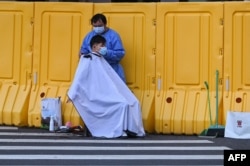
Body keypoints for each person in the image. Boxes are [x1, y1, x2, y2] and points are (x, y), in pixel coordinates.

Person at [68, 35, 145, 138]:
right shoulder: (87, 59)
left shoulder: (101, 59)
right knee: (122, 104)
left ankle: (132, 129)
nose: (104, 48)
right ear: (94, 47)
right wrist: (72, 93)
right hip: (95, 95)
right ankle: (119, 129)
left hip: (105, 93)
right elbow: (79, 78)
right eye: (102, 45)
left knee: (134, 102)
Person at [80, 13, 126, 82]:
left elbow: (120, 53)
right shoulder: (89, 36)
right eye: (95, 26)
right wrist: (84, 56)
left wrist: (107, 52)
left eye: (100, 26)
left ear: (105, 24)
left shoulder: (113, 36)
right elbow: (83, 52)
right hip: (95, 72)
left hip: (112, 71)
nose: (97, 28)